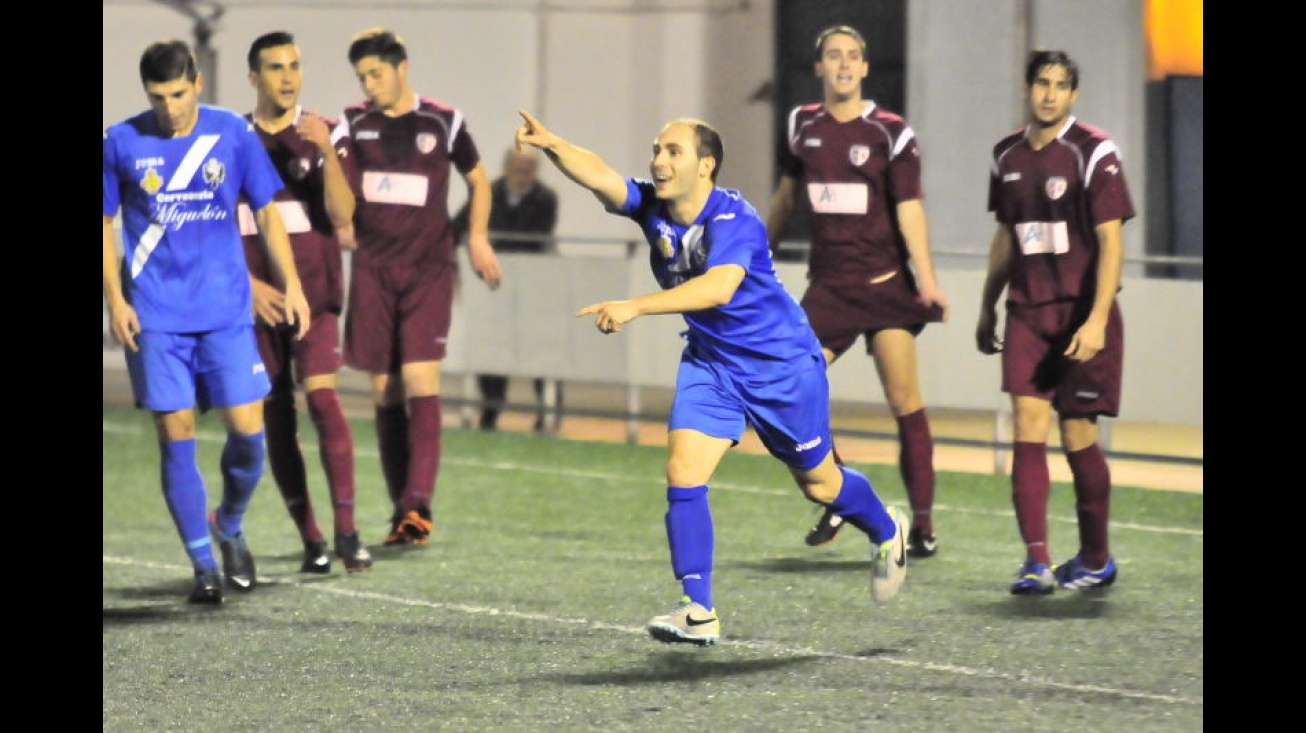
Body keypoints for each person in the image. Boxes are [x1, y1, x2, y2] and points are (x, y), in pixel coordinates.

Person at [515, 110, 909, 647]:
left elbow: (718, 289)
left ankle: (887, 529)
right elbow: (601, 174)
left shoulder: (735, 221)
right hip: (712, 363)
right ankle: (697, 608)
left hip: (781, 368)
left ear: (707, 166)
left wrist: (636, 306)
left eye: (673, 151)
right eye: (657, 149)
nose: (658, 160)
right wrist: (552, 143)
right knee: (682, 469)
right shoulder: (653, 208)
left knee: (820, 484)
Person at [102, 39, 311, 604]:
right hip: (156, 316)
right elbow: (104, 220)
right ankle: (202, 565)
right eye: (157, 96)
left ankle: (230, 524)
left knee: (249, 437)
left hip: (224, 311)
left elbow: (267, 210)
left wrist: (290, 282)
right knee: (177, 436)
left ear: (196, 82)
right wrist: (116, 302)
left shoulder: (232, 133)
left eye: (177, 93)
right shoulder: (120, 141)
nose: (169, 107)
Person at [766, 24, 950, 557]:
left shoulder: (890, 131)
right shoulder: (802, 125)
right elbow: (785, 196)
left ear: (865, 68)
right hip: (828, 290)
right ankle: (841, 492)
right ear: (819, 66)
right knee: (789, 387)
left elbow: (909, 210)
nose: (843, 64)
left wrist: (929, 280)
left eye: (852, 56)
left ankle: (923, 524)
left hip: (885, 287)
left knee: (903, 400)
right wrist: (756, 256)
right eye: (833, 55)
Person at [335, 28, 504, 547]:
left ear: (401, 67)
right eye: (362, 76)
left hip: (428, 271)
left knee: (420, 380)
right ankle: (400, 512)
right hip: (372, 273)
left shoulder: (443, 121)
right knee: (384, 390)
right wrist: (339, 220)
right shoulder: (352, 123)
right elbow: (336, 186)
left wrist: (476, 238)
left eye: (376, 74)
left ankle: (419, 505)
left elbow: (479, 179)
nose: (369, 84)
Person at [974, 49, 1133, 594]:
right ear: (1027, 87)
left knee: (1078, 434)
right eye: (1042, 83)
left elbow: (1112, 240)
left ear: (1073, 95)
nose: (1049, 93)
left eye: (1060, 85)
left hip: (1081, 315)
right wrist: (987, 302)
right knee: (1027, 427)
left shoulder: (1092, 150)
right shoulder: (1006, 154)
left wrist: (1096, 319)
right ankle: (1035, 561)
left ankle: (1095, 557)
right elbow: (1007, 234)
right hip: (1027, 312)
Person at [240, 31, 371, 574]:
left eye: (294, 65)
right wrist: (248, 286)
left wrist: (325, 151)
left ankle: (347, 531)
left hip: (315, 299)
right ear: (254, 77)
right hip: (259, 303)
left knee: (323, 401)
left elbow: (343, 215)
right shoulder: (233, 137)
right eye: (275, 67)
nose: (288, 76)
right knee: (276, 413)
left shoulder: (327, 133)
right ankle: (311, 537)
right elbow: (221, 220)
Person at [452, 147, 562, 433]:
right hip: (493, 287)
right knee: (490, 349)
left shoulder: (546, 199)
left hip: (533, 289)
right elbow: (456, 228)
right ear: (507, 168)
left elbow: (535, 239)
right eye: (518, 170)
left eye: (528, 171)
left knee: (541, 349)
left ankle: (547, 410)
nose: (523, 176)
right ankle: (491, 408)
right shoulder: (487, 194)